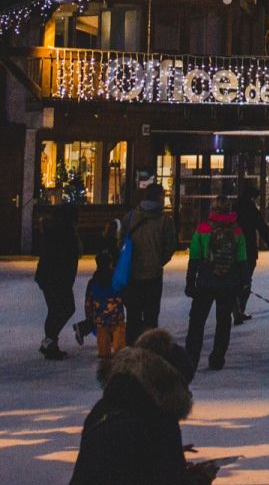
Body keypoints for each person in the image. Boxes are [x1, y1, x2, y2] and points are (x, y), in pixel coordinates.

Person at [70, 327, 222, 484]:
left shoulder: (103, 408)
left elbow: (120, 458)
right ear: (171, 383)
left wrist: (163, 455)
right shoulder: (159, 419)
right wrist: (200, 478)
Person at [185, 194, 247, 372]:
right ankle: (217, 358)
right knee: (223, 320)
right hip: (228, 282)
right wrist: (244, 281)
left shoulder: (203, 228)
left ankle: (191, 357)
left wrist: (190, 281)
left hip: (205, 281)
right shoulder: (236, 231)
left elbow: (195, 256)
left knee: (197, 321)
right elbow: (242, 258)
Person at [120, 183, 179, 344]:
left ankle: (132, 349)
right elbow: (170, 246)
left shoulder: (130, 217)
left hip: (132, 274)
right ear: (160, 197)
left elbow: (121, 243)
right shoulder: (165, 220)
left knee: (133, 316)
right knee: (151, 317)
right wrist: (158, 260)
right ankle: (149, 348)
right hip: (153, 275)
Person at [232, 181, 269, 325]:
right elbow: (264, 231)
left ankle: (233, 307)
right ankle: (239, 309)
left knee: (234, 281)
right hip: (248, 252)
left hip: (232, 251)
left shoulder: (234, 209)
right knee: (245, 282)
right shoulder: (251, 210)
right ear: (252, 198)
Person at [35, 200, 80, 360]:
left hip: (50, 277)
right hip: (58, 278)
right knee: (65, 308)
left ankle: (50, 343)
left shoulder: (53, 229)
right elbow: (64, 257)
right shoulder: (63, 232)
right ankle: (50, 342)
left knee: (55, 310)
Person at [78, 252, 127, 358]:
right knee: (119, 332)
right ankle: (120, 353)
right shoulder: (116, 280)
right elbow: (124, 295)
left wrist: (90, 316)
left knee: (103, 334)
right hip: (116, 316)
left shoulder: (93, 282)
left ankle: (104, 354)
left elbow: (88, 301)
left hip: (100, 317)